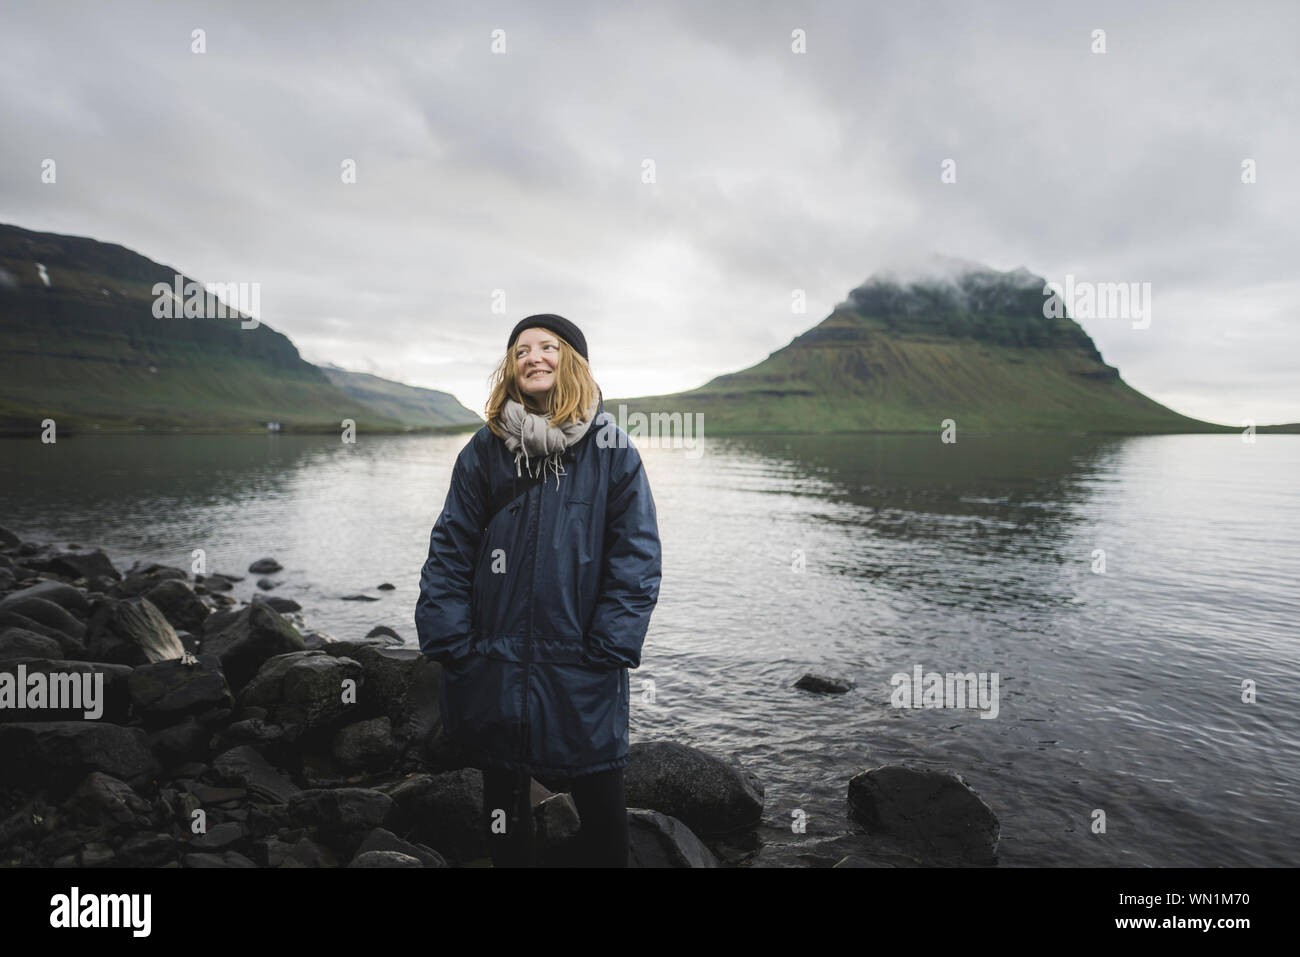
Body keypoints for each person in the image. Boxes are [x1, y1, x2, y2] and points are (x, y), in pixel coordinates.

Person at [414, 313, 663, 867]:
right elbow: (451, 546)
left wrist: (610, 647)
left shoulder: (611, 450)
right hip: (492, 658)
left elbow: (637, 557)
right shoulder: (484, 449)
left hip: (581, 660)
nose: (533, 357)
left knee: (602, 802)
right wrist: (448, 637)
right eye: (521, 350)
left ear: (572, 361)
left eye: (548, 347)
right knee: (502, 800)